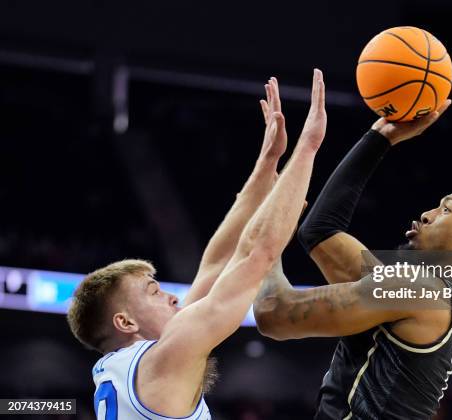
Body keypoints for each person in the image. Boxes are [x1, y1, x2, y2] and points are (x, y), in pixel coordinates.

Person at [253, 102, 452, 419]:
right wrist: (380, 136)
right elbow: (320, 233)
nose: (427, 215)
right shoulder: (425, 294)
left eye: (446, 210)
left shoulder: (417, 290)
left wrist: (267, 238)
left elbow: (273, 313)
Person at [67, 70, 327, 420]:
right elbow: (256, 255)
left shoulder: (122, 367)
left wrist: (266, 165)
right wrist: (308, 146)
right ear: (125, 322)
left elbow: (216, 264)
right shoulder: (163, 358)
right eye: (153, 291)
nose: (172, 296)